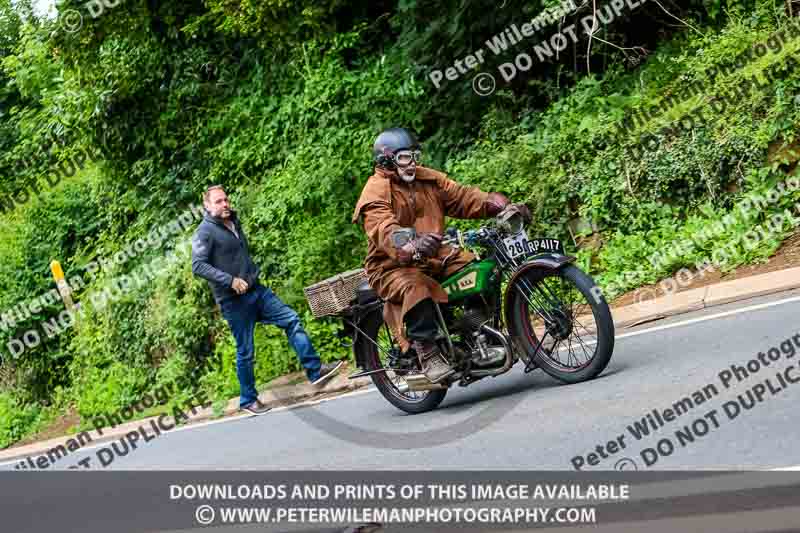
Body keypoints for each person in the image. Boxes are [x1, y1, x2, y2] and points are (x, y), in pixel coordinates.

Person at [352, 128, 531, 383]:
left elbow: (462, 197)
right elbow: (383, 227)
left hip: (434, 256)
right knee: (416, 287)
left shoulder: (428, 180)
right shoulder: (375, 192)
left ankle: (475, 327)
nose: (412, 162)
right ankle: (427, 353)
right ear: (386, 159)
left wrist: (497, 205)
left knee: (479, 269)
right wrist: (409, 244)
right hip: (391, 266)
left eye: (414, 155)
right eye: (404, 157)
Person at [192, 185, 342, 415]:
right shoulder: (204, 232)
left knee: (291, 320)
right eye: (218, 202)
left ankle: (315, 371)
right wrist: (230, 281)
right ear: (207, 206)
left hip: (257, 291)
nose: (224, 204)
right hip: (233, 301)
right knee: (246, 351)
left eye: (226, 200)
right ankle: (248, 400)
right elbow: (198, 265)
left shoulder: (233, 221)